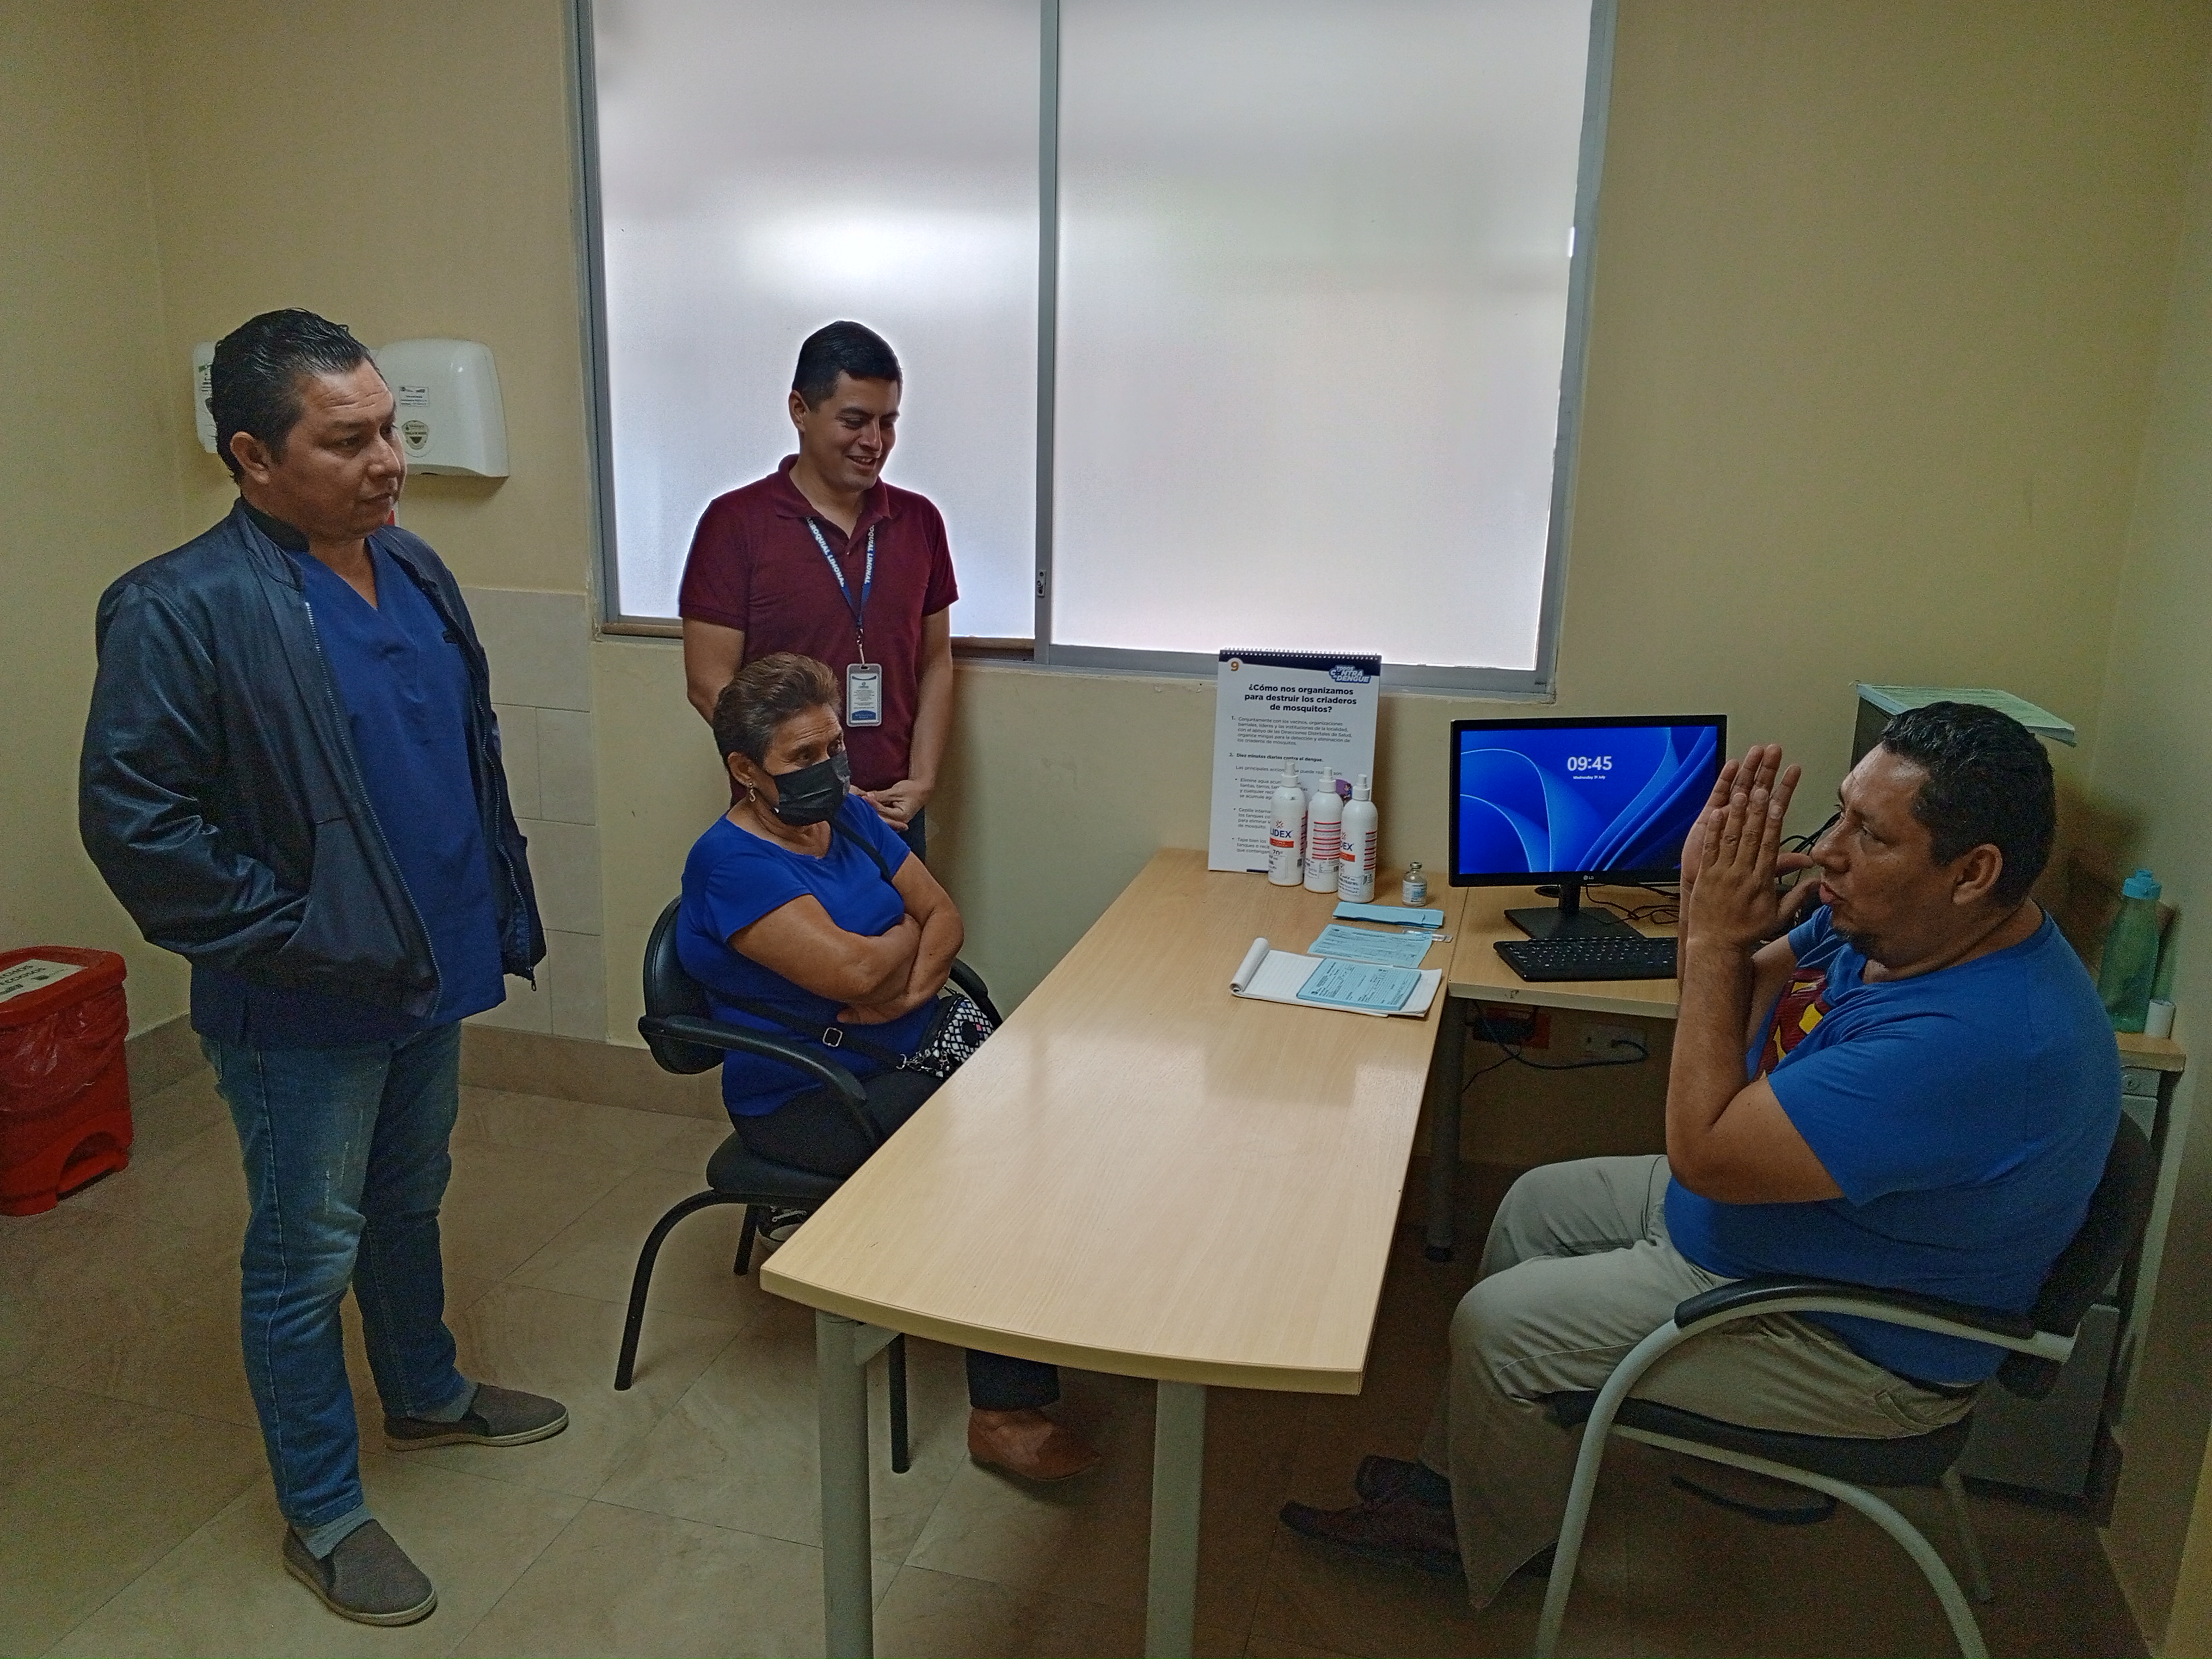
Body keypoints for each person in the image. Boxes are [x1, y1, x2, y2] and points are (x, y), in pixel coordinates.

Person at [1281, 703, 2119, 1603]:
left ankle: (1481, 1542)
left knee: (1499, 1327)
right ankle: (1458, 1487)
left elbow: (1705, 1152)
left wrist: (1715, 935)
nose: (1827, 852)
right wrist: (1702, 907)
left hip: (1851, 1341)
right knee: (1532, 1203)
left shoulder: (1975, 1039)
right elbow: (1730, 999)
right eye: (1838, 813)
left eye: (1869, 834)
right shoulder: (1903, 924)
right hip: (1788, 1229)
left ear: (1972, 871)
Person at [79, 310, 568, 1627]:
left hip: (428, 965)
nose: (388, 461)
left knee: (409, 1200)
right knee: (305, 1255)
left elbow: (459, 759)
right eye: (346, 440)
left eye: (390, 429)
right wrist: (299, 936)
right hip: (301, 1002)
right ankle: (326, 1512)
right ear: (252, 455)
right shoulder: (181, 607)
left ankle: (427, 1392)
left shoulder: (413, 569)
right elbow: (136, 824)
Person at [677, 652, 1098, 1481]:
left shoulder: (844, 814)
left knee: (1056, 1107)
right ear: (744, 770)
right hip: (811, 1092)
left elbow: (943, 912)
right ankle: (1003, 1414)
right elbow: (853, 974)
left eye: (833, 746)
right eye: (801, 756)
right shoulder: (731, 865)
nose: (827, 768)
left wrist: (901, 982)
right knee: (994, 1162)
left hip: (904, 1043)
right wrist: (901, 947)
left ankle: (1051, 1311)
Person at [679, 321, 956, 859]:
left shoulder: (920, 521)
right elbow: (709, 684)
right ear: (800, 410)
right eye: (854, 421)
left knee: (912, 916)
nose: (874, 442)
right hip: (787, 816)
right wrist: (815, 782)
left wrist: (921, 781)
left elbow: (935, 662)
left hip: (894, 812)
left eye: (887, 423)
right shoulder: (734, 523)